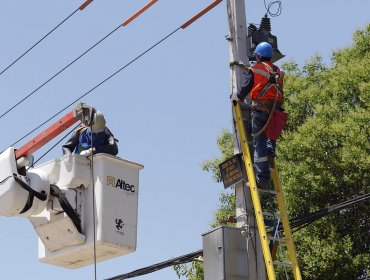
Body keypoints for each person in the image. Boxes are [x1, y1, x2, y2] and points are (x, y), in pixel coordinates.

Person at [234, 42, 284, 189]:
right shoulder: (278, 70)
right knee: (271, 135)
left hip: (260, 109)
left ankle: (262, 180)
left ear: (258, 56)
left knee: (259, 142)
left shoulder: (256, 69)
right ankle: (270, 152)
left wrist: (238, 97)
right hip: (275, 110)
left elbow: (246, 87)